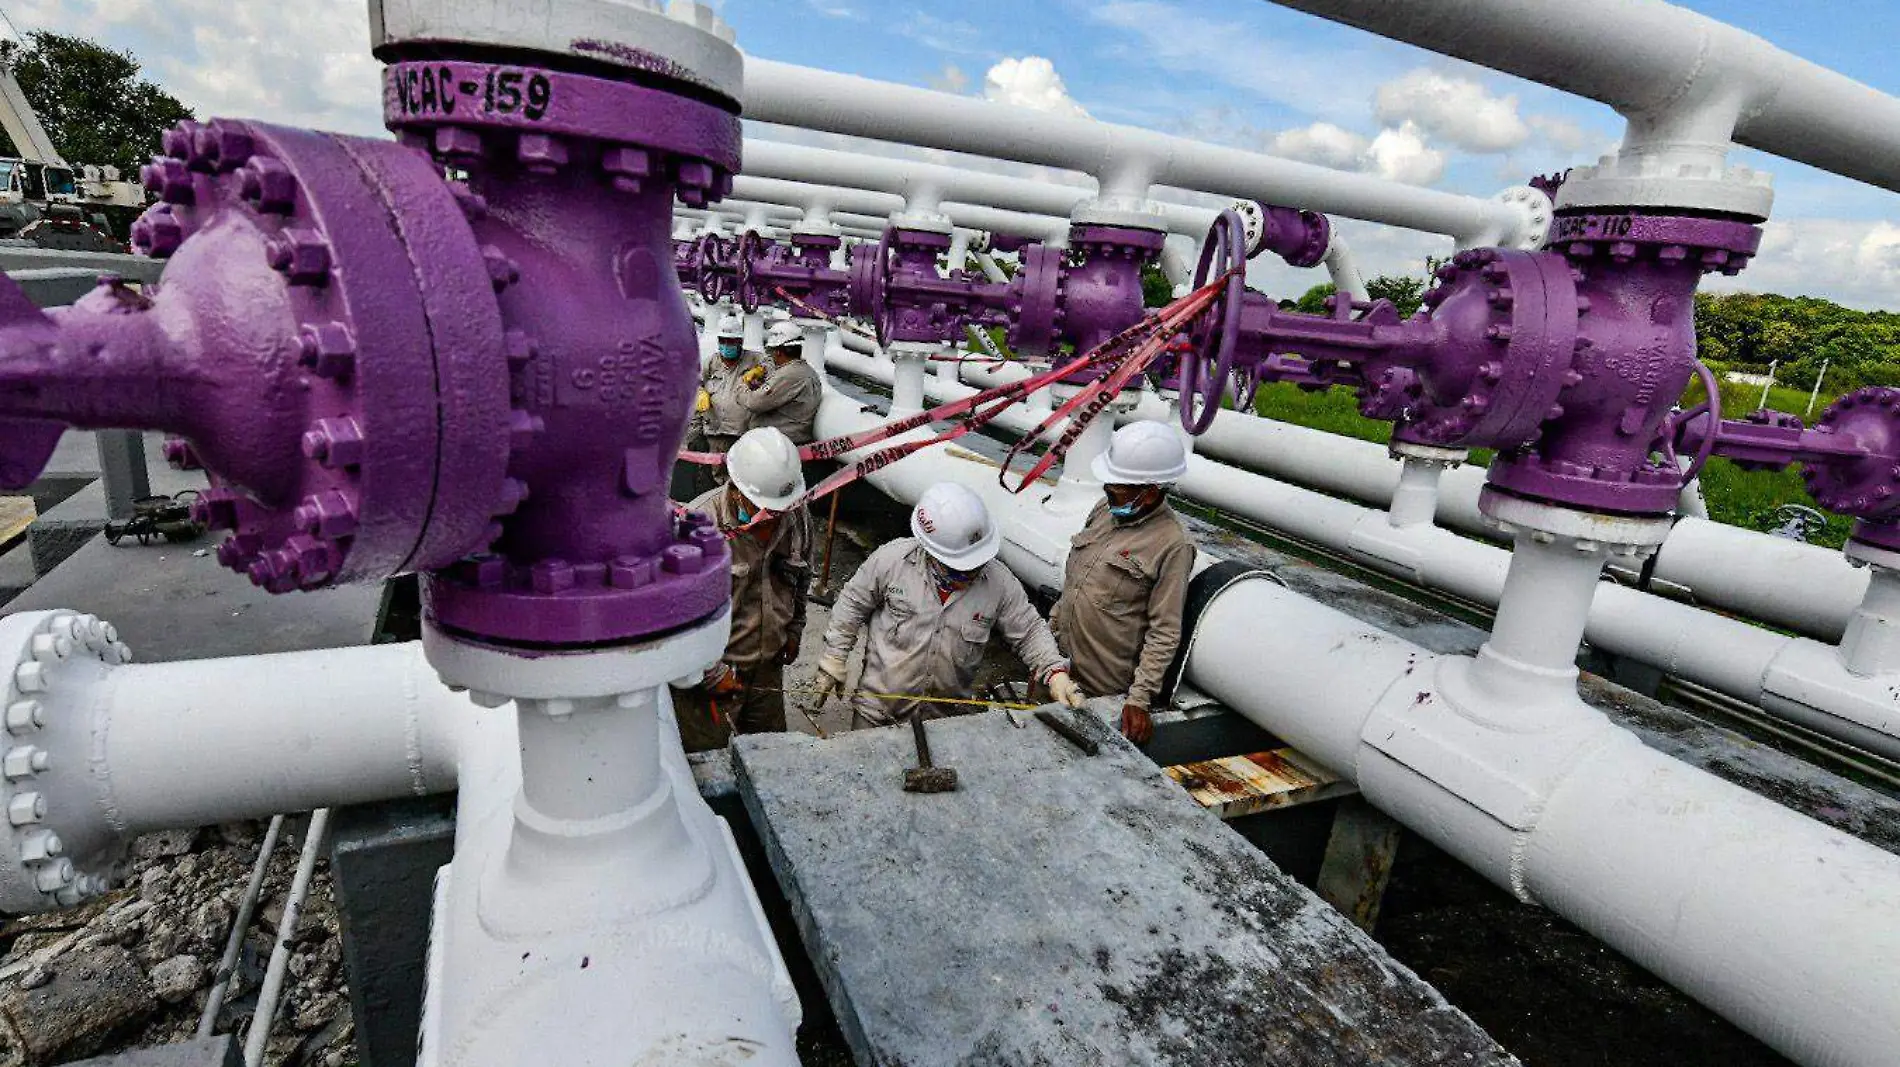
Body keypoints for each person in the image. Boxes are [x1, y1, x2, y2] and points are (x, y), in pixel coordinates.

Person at [814, 482, 1083, 727]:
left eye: (976, 565)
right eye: (958, 569)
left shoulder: (999, 582)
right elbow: (851, 605)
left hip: (946, 721)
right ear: (929, 551)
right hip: (877, 713)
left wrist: (1055, 672)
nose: (970, 574)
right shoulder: (891, 561)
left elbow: (1029, 631)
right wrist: (834, 658)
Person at [1051, 422, 1195, 745]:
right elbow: (1075, 584)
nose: (1109, 492)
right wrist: (1048, 649)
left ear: (1151, 492)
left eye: (1117, 489)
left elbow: (1165, 630)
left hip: (1102, 692)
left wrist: (1139, 698)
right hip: (1061, 672)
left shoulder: (1173, 544)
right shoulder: (1104, 509)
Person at [671, 427, 813, 752]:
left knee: (771, 761)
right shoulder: (698, 526)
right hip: (712, 678)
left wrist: (794, 629)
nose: (773, 518)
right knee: (711, 772)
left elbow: (803, 576)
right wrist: (711, 673)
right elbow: (676, 617)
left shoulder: (796, 515)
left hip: (767, 670)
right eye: (765, 509)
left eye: (780, 510)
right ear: (735, 489)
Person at [693, 316, 757, 493]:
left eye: (731, 341)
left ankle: (739, 507)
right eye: (723, 341)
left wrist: (760, 371)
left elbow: (772, 367)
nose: (727, 345)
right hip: (717, 430)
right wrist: (700, 391)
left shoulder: (753, 360)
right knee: (719, 474)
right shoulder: (711, 362)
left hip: (742, 431)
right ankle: (723, 506)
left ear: (740, 341)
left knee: (742, 474)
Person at [738, 320, 823, 445]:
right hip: (785, 439)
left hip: (779, 443)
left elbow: (753, 403)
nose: (771, 355)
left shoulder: (789, 375)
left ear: (778, 351)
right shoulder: (805, 371)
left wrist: (742, 386)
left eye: (771, 351)